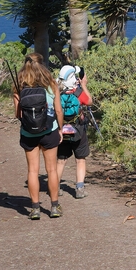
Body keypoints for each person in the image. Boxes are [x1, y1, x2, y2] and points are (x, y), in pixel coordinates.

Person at [13, 53, 64, 220]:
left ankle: (35, 209)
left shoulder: (19, 86)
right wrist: (60, 129)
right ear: (42, 65)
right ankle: (54, 206)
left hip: (28, 133)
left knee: (32, 171)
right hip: (49, 130)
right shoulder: (51, 84)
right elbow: (58, 110)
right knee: (51, 170)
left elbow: (17, 114)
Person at [56, 64, 92, 199]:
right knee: (80, 159)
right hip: (78, 130)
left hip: (61, 131)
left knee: (61, 160)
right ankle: (80, 188)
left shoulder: (57, 93)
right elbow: (90, 101)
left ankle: (56, 187)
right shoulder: (78, 93)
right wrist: (83, 85)